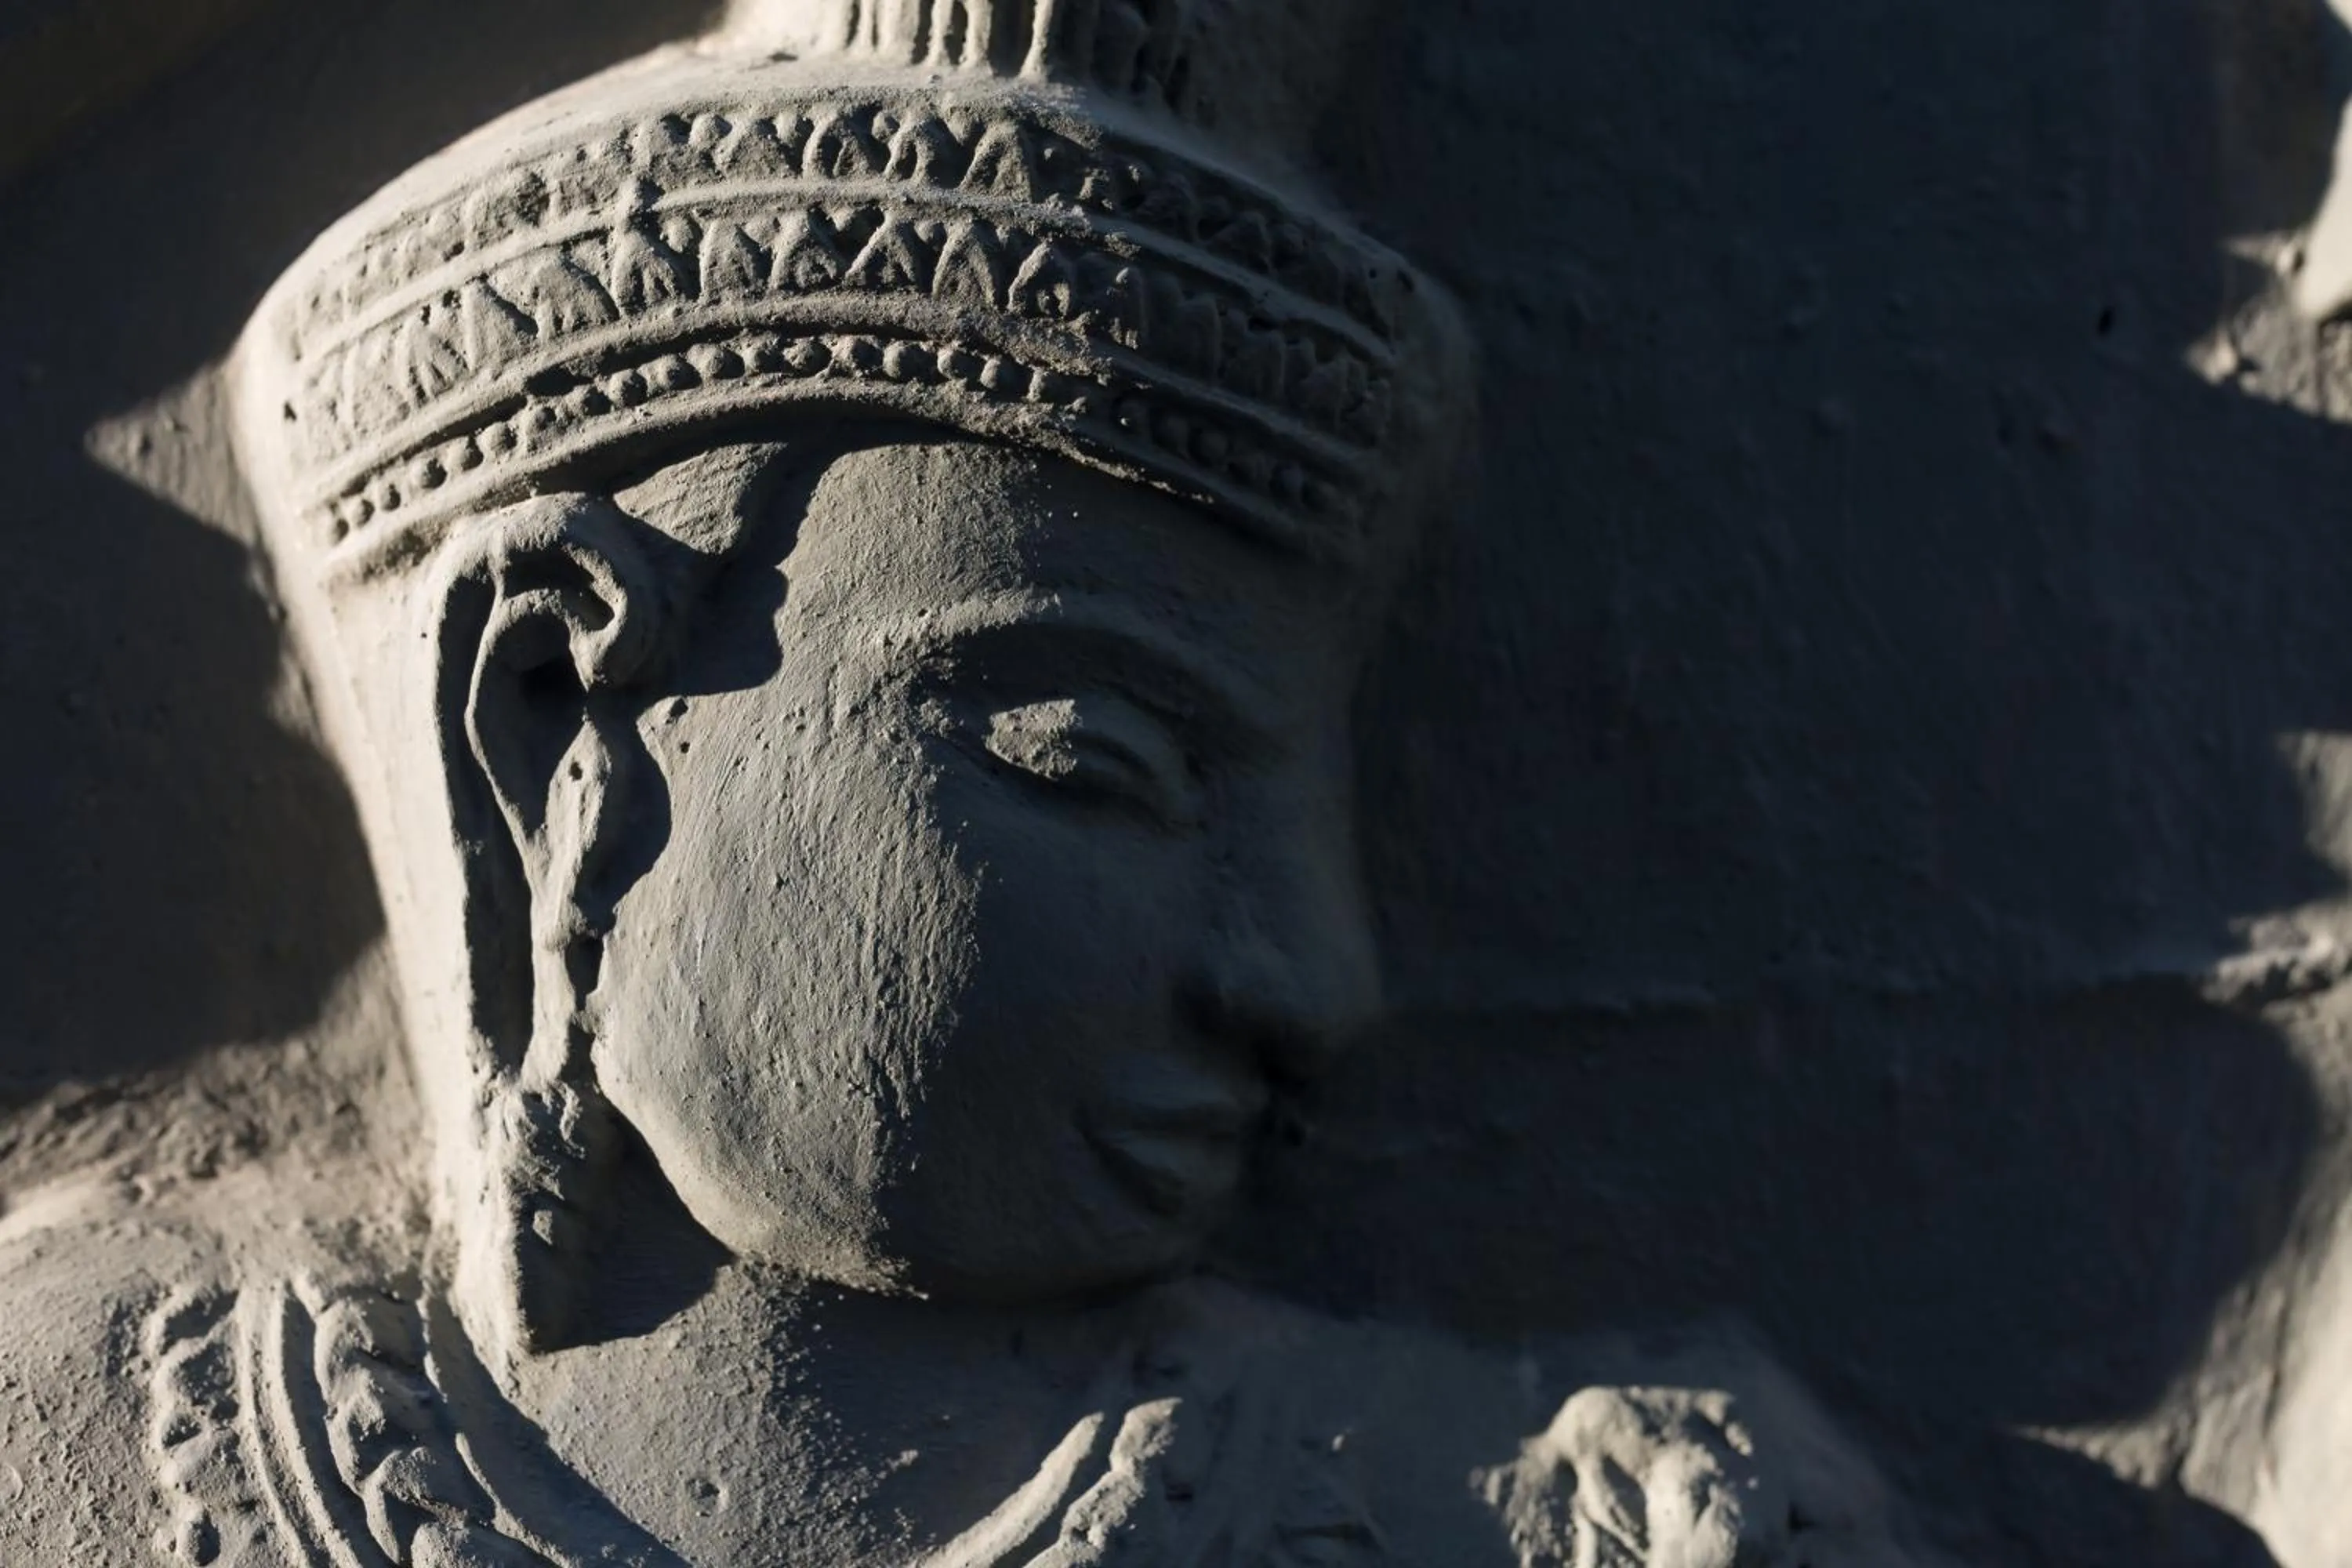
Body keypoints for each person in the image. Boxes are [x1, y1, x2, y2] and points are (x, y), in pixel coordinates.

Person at [0, 3, 1946, 1562]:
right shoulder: (74, 1443)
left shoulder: (1550, 1521)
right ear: (545, 719)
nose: (1315, 980)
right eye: (1091, 761)